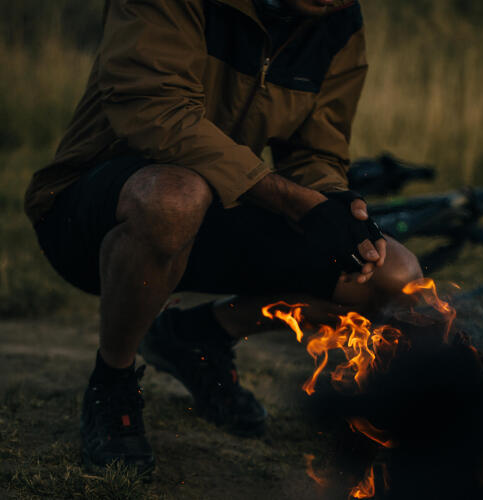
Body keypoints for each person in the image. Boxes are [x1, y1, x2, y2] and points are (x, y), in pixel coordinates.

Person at [24, 0, 422, 474]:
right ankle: (112, 381)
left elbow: (317, 150)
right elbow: (159, 112)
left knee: (393, 275)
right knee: (175, 196)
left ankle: (201, 335)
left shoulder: (337, 24)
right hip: (96, 211)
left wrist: (334, 202)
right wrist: (296, 202)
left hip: (223, 204)